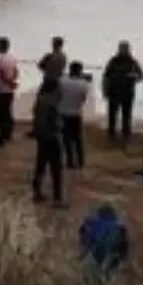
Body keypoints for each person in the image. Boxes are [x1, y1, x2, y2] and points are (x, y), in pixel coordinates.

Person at [31, 75, 66, 207]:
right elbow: (56, 123)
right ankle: (57, 198)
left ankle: (37, 192)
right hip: (52, 137)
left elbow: (36, 118)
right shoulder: (53, 104)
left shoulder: (40, 100)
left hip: (41, 137)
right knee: (56, 168)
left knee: (40, 164)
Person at [102, 41, 143, 145]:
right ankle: (111, 136)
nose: (124, 50)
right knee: (112, 115)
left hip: (127, 93)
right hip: (114, 92)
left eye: (125, 48)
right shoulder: (113, 61)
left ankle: (126, 136)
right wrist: (105, 90)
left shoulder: (133, 62)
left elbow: (141, 76)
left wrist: (133, 76)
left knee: (127, 115)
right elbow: (106, 76)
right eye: (122, 48)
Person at [78, 203, 130, 275]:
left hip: (93, 258)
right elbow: (124, 246)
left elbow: (83, 240)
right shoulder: (120, 228)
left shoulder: (90, 223)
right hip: (112, 260)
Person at [58, 62, 91, 169]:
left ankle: (70, 161)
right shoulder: (84, 84)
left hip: (63, 113)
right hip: (76, 113)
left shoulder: (62, 82)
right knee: (78, 139)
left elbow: (58, 96)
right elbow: (83, 99)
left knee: (66, 139)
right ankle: (81, 161)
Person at [0, 37, 19, 147]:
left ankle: (1, 137)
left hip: (1, 90)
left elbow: (1, 74)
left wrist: (9, 82)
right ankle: (8, 134)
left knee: (1, 114)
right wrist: (13, 81)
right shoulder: (12, 58)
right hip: (9, 90)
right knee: (8, 112)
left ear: (1, 46)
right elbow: (16, 71)